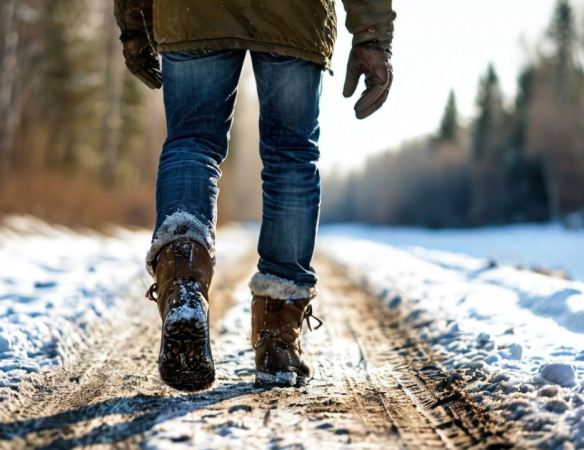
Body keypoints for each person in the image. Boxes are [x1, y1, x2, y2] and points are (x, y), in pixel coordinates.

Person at [114, 0, 395, 391]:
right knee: (290, 156)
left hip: (191, 13)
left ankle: (183, 280)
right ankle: (277, 338)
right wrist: (372, 36)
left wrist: (133, 23)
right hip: (295, 15)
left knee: (192, 142)